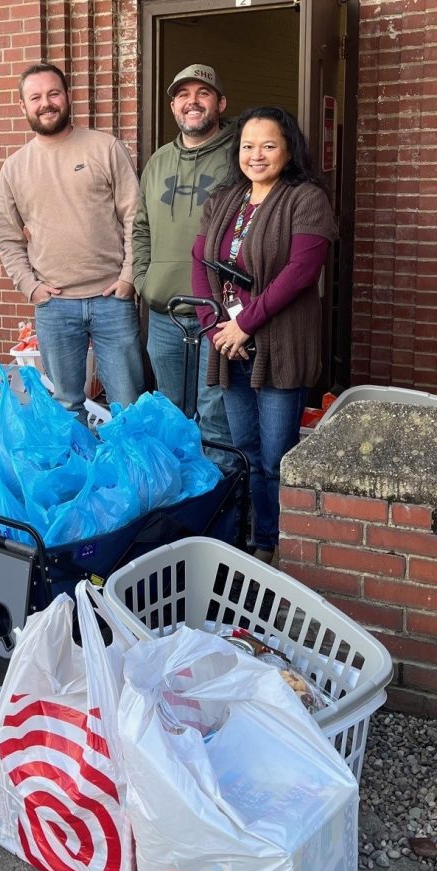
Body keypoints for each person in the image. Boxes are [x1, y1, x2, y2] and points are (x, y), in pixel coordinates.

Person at [191, 106, 337, 561]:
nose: (257, 155)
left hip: (280, 346)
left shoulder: (306, 199)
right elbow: (199, 259)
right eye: (249, 146)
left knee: (276, 458)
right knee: (245, 452)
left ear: (288, 149)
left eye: (269, 145)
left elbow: (299, 273)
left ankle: (276, 545)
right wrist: (215, 326)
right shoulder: (226, 199)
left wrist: (244, 324)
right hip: (229, 347)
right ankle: (254, 535)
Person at [0, 62, 144, 420]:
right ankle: (80, 476)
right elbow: (7, 237)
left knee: (128, 405)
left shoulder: (105, 148)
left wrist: (128, 277)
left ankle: (131, 476)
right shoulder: (14, 168)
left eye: (53, 93)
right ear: (23, 107)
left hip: (112, 301)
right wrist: (30, 286)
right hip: (55, 307)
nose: (46, 103)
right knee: (65, 407)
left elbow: (135, 218)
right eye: (36, 97)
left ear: (67, 96)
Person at [132, 64, 234, 454]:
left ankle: (217, 509)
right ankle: (180, 503)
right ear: (173, 105)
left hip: (218, 316)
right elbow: (140, 227)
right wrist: (145, 281)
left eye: (203, 93)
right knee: (171, 417)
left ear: (220, 102)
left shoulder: (238, 155)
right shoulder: (157, 161)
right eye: (183, 95)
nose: (192, 101)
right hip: (164, 314)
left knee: (215, 420)